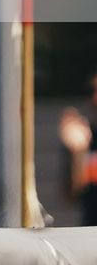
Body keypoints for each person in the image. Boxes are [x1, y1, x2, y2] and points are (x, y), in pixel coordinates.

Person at [57, 73, 97, 224]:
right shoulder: (83, 136)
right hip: (91, 231)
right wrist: (76, 152)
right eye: (91, 91)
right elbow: (71, 195)